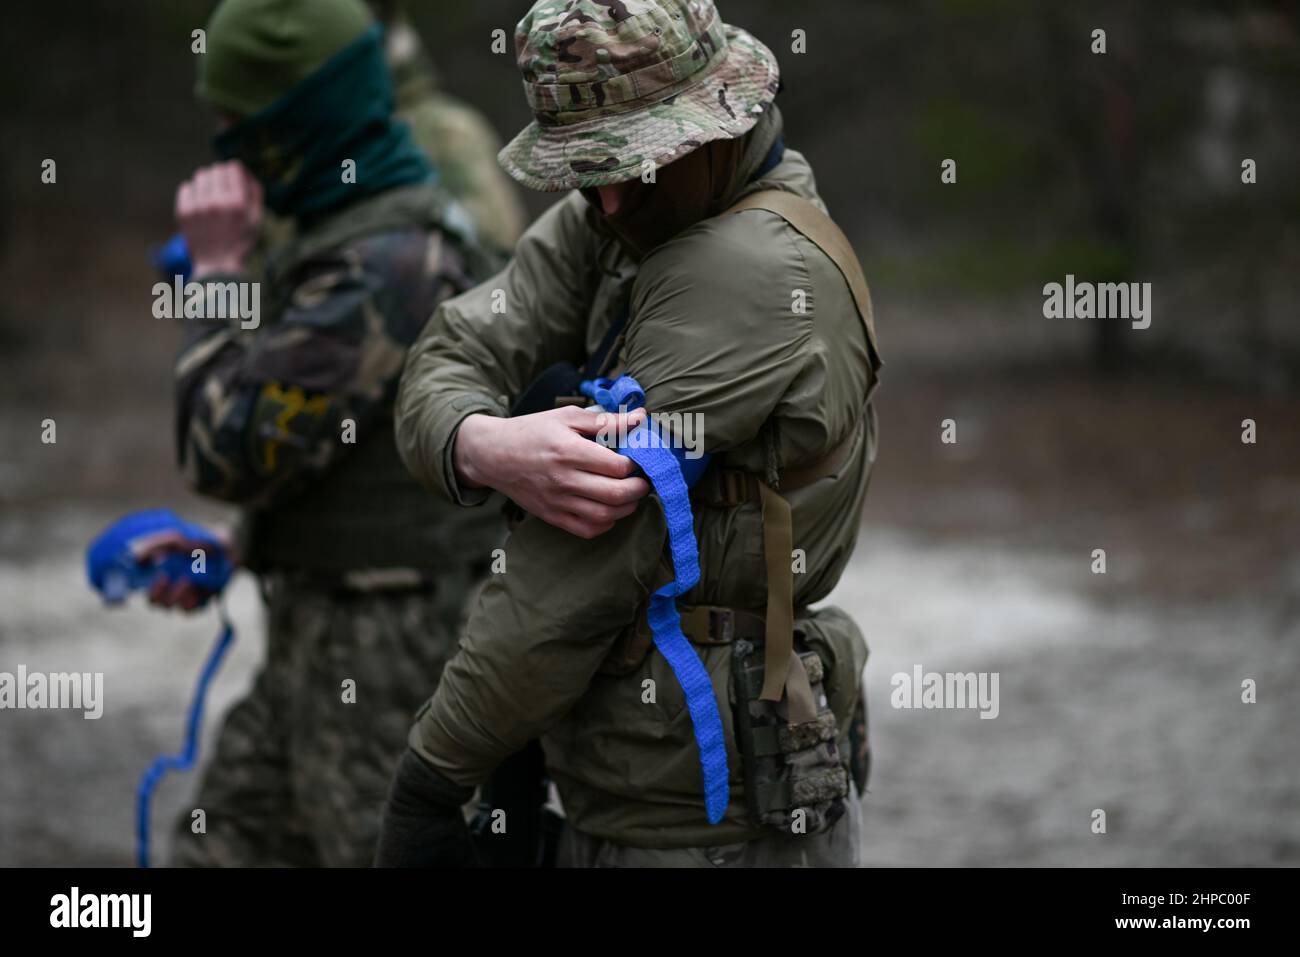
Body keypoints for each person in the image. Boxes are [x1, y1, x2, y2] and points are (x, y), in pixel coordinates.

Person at [378, 0, 881, 868]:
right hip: (622, 786)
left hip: (707, 827)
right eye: (587, 169)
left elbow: (577, 568)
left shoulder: (751, 272)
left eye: (633, 164)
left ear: (716, 126)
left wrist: (432, 777)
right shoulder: (626, 214)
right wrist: (479, 443)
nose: (607, 197)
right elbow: (455, 347)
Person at [157, 0, 503, 866]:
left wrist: (215, 278)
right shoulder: (339, 233)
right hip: (322, 621)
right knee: (220, 846)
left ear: (298, 117)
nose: (225, 145)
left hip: (389, 646)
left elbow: (226, 451)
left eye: (240, 121)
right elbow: (316, 448)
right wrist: (239, 547)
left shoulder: (387, 261)